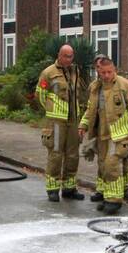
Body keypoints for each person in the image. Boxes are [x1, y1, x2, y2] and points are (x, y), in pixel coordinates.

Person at [79, 56, 128, 214]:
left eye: (109, 72)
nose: (106, 75)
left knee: (111, 166)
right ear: (98, 71)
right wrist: (83, 125)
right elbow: (90, 109)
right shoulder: (95, 87)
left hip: (118, 135)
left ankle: (114, 201)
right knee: (103, 165)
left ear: (115, 70)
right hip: (101, 134)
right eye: (103, 72)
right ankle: (108, 194)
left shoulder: (125, 86)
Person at [36, 44, 86, 202]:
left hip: (73, 120)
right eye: (65, 56)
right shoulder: (48, 72)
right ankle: (52, 189)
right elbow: (40, 95)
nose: (68, 59)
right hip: (56, 121)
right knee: (56, 154)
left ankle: (69, 188)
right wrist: (51, 110)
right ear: (59, 55)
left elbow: (79, 94)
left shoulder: (75, 72)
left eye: (71, 56)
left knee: (73, 155)